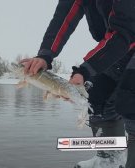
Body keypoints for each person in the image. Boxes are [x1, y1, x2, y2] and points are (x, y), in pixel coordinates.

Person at [20, 0, 135, 168]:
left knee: (131, 101)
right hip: (119, 44)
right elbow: (63, 18)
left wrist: (84, 70)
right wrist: (45, 55)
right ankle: (109, 160)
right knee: (96, 96)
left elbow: (124, 34)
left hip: (125, 37)